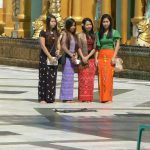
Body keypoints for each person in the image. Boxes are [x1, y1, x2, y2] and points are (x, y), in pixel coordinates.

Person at [95, 14, 121, 103]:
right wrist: (96, 59)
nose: (105, 23)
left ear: (110, 22)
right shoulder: (99, 33)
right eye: (104, 22)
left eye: (107, 21)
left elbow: (117, 45)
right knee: (101, 77)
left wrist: (114, 56)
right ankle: (102, 98)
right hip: (101, 56)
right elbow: (97, 48)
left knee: (109, 77)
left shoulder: (114, 32)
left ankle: (108, 98)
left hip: (110, 55)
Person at [38, 14, 59, 104]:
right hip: (45, 57)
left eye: (55, 21)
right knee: (44, 77)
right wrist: (49, 56)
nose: (54, 23)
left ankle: (50, 97)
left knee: (52, 77)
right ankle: (42, 98)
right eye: (52, 21)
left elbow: (58, 44)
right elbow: (42, 45)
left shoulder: (56, 32)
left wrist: (58, 50)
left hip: (54, 58)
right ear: (48, 22)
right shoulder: (43, 32)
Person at [60, 18, 78, 102]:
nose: (73, 27)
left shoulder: (74, 35)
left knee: (70, 79)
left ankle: (69, 97)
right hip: (67, 58)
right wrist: (71, 55)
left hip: (72, 58)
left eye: (74, 25)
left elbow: (76, 48)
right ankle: (65, 97)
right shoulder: (65, 34)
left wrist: (75, 55)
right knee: (66, 78)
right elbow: (63, 46)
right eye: (71, 25)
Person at [78, 18, 96, 102]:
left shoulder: (94, 35)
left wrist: (88, 57)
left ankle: (89, 98)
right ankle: (83, 98)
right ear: (83, 26)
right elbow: (78, 47)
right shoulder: (80, 35)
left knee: (90, 80)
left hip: (91, 59)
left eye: (90, 24)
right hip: (82, 59)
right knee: (83, 79)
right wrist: (83, 57)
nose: (89, 26)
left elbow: (94, 48)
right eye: (87, 24)